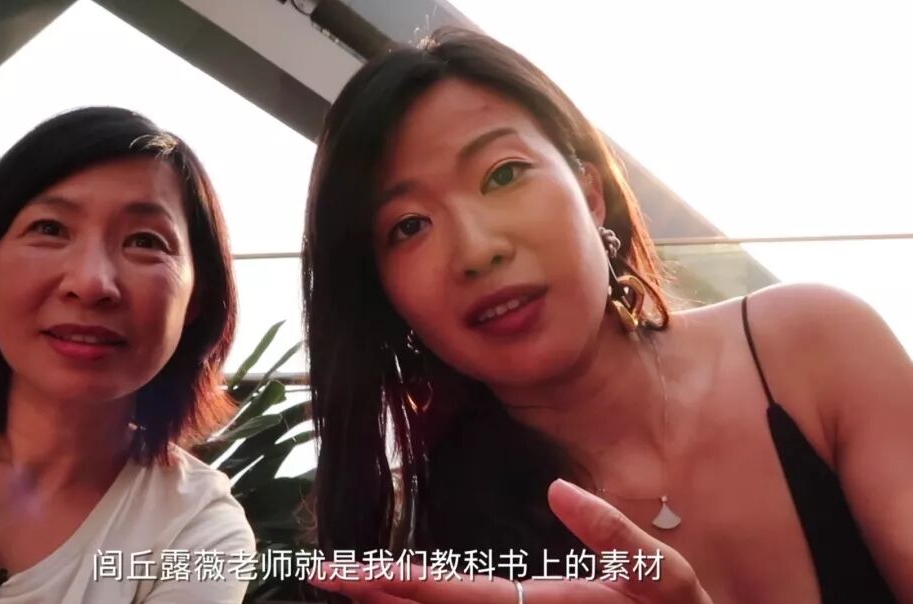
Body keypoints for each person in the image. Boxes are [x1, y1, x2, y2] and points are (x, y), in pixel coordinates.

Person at [301, 28, 911, 603]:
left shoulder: (813, 345)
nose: (477, 251)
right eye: (409, 226)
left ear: (591, 193)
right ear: (383, 296)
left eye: (504, 174)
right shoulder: (439, 559)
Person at [0, 107, 254, 603]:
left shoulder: (198, 531)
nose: (91, 283)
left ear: (197, 300)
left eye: (145, 242)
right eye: (51, 229)